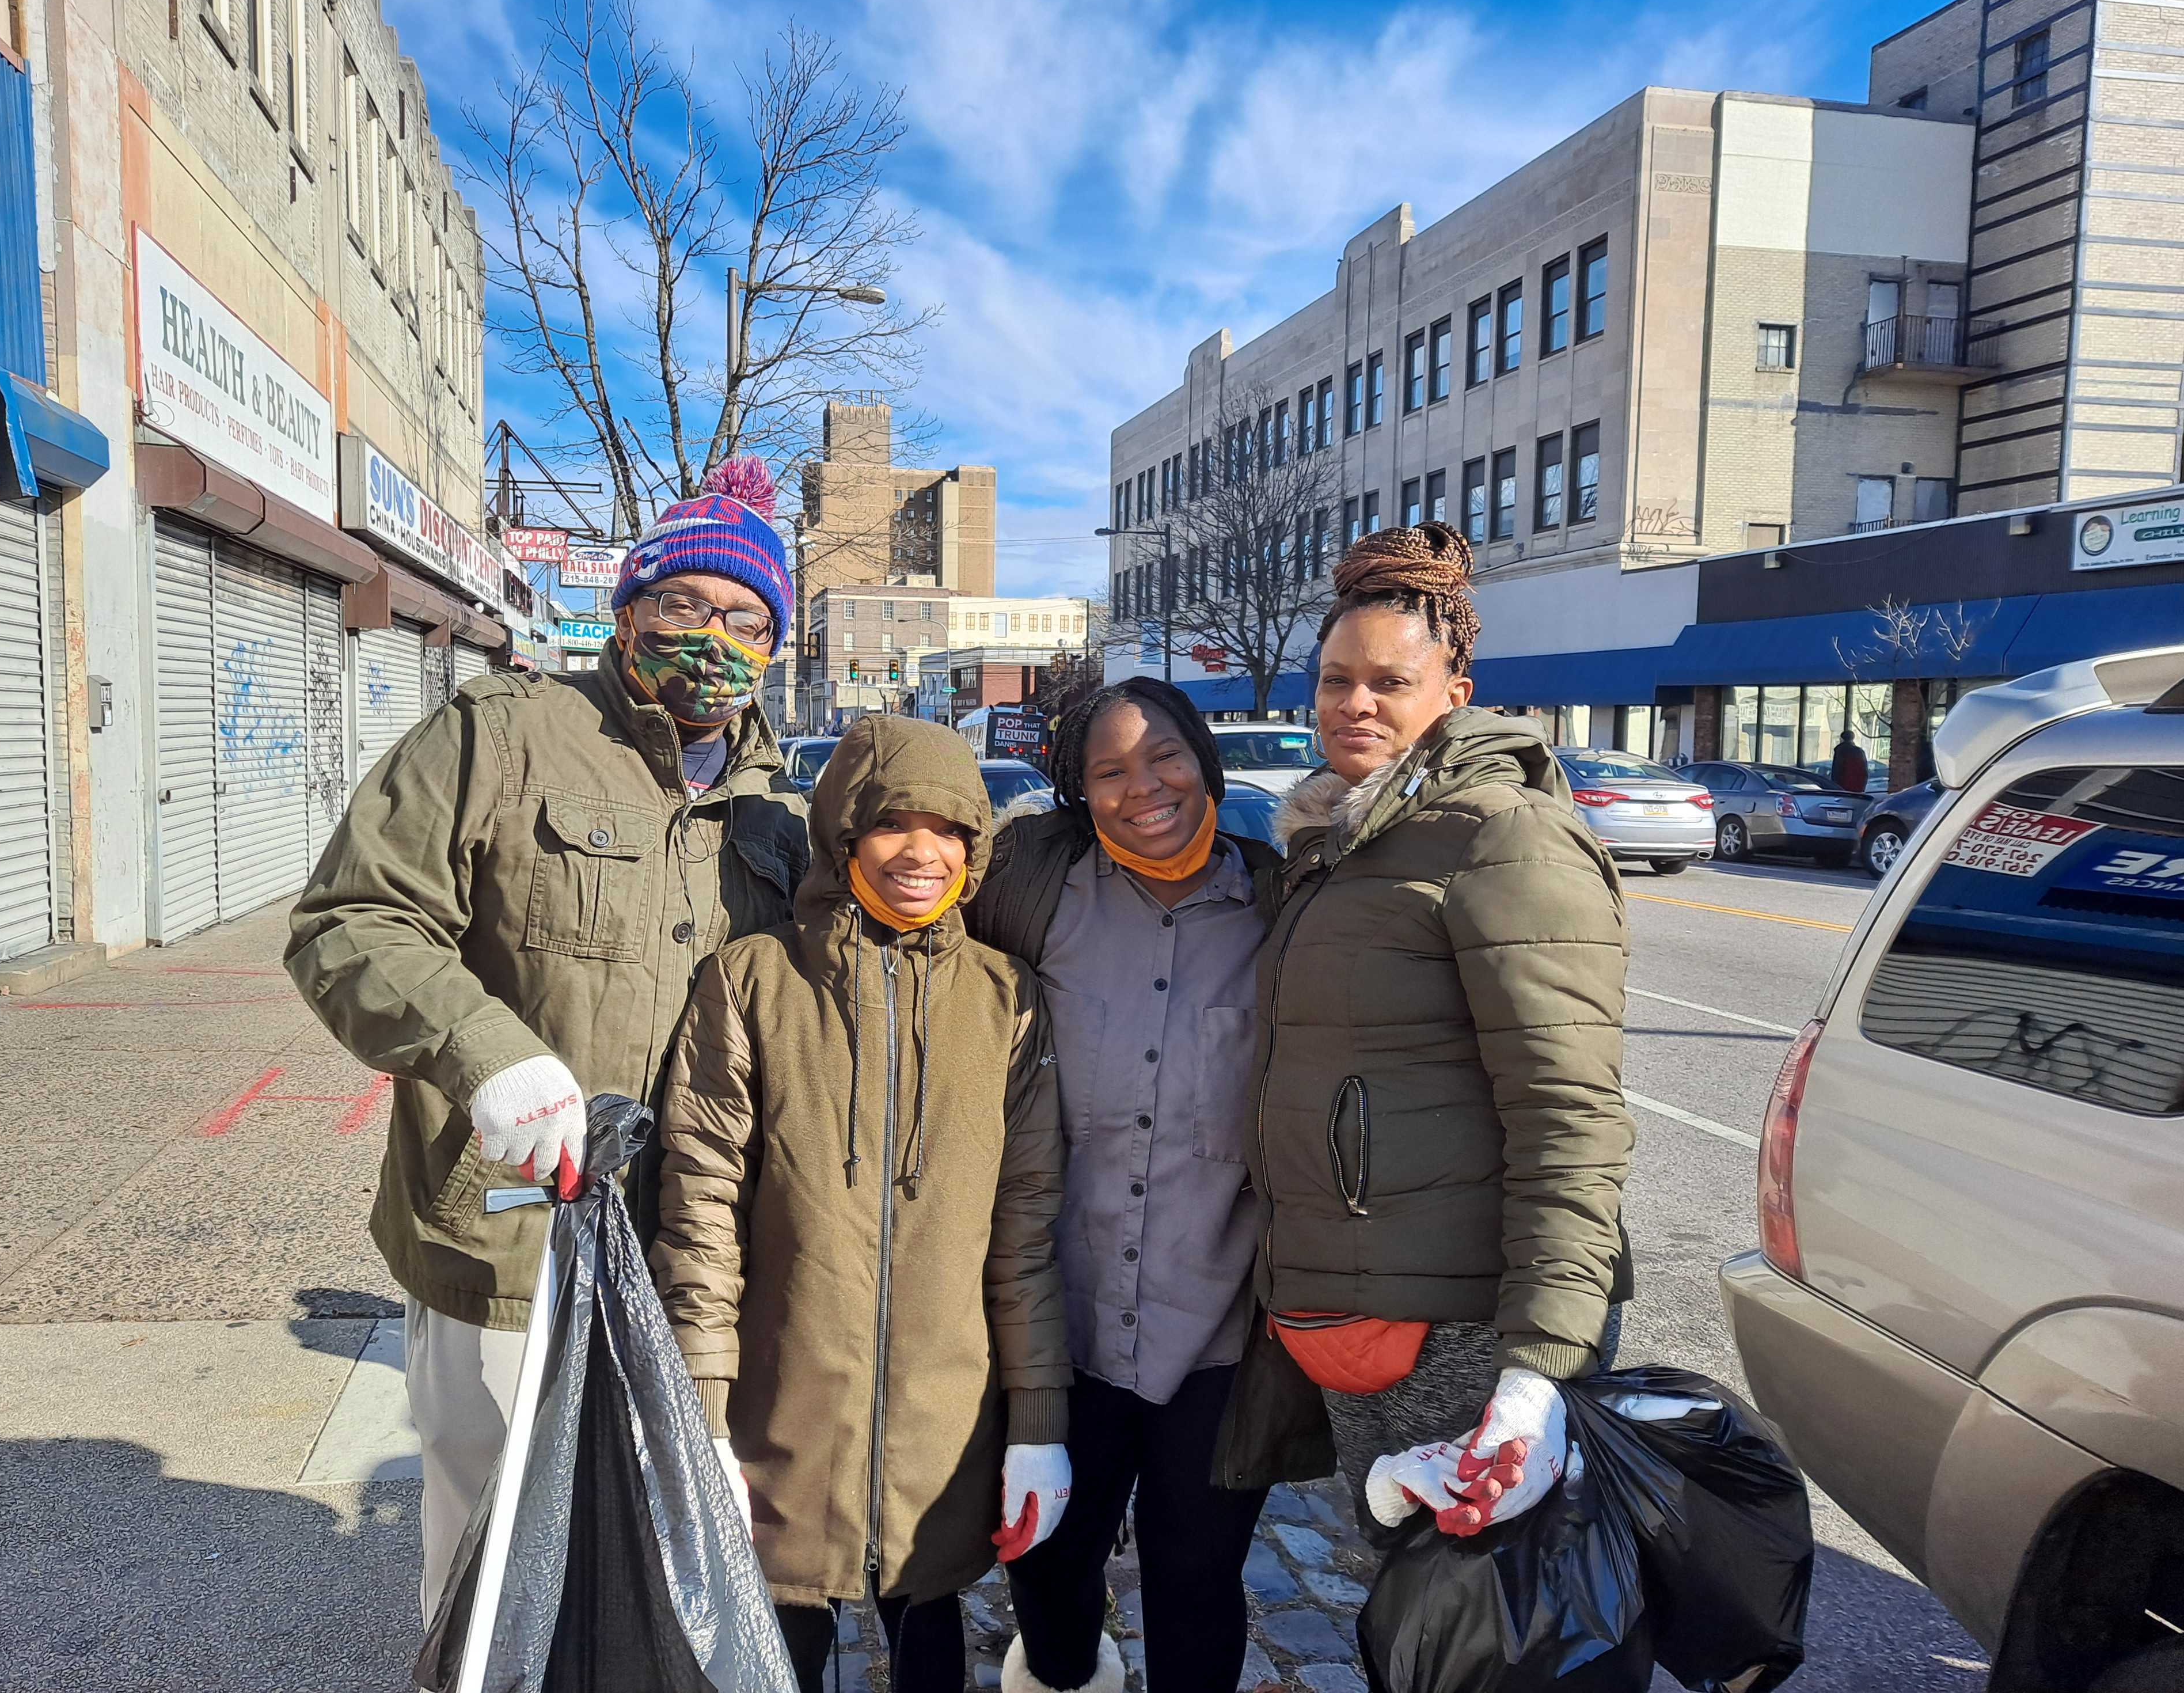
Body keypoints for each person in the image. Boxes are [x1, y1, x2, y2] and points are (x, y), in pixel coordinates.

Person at [285, 460, 809, 1621]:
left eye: (746, 618)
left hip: (698, 1266)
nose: (711, 637)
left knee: (660, 1582)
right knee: (494, 1573)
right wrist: (483, 1050)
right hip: (510, 1246)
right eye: (684, 604)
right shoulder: (504, 735)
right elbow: (348, 921)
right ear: (628, 610)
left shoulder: (782, 811)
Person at [651, 714, 1073, 1693]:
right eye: (893, 824)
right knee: (773, 1647)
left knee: (930, 1637)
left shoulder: (1006, 998)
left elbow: (1026, 1228)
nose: (922, 852)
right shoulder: (753, 980)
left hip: (945, 1416)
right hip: (781, 1406)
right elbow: (703, 1206)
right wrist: (703, 1410)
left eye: (950, 828)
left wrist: (1041, 1422)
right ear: (845, 835)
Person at [1252, 523, 1634, 1550]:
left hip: (1466, 1323)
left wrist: (1540, 1365)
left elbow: (1569, 1112)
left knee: (1496, 1627)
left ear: (1455, 692)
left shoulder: (1504, 833)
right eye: (1336, 680)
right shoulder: (1341, 840)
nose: (1357, 704)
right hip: (1363, 1311)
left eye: (1389, 681)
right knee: (1417, 1617)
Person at [967, 678, 1284, 1693]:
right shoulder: (1033, 896)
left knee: (1198, 1576)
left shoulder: (1279, 904)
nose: (1143, 786)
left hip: (1218, 1327)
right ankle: (1064, 1671)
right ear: (1078, 791)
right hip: (1063, 1317)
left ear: (1206, 761)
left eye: (1166, 757)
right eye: (1109, 770)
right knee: (1049, 1563)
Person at [1832, 727, 1868, 795]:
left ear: (1842, 739)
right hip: (1857, 789)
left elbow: (1836, 772)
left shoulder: (1840, 752)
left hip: (1842, 789)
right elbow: (1864, 772)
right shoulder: (1859, 752)